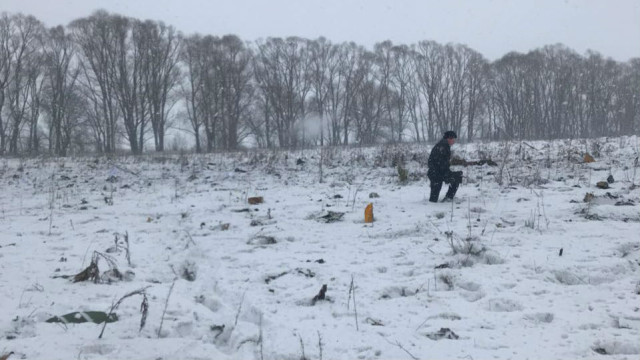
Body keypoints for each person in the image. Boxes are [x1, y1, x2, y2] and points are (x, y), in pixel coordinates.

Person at [427, 131, 463, 203]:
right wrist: (447, 174)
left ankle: (448, 198)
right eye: (453, 139)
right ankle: (448, 198)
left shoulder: (442, 145)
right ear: (449, 138)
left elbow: (441, 163)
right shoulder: (443, 146)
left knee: (457, 176)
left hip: (436, 173)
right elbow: (441, 163)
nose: (454, 141)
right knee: (457, 177)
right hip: (436, 174)